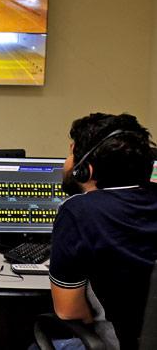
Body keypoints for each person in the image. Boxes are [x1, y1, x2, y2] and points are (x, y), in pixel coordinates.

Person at [49, 113, 157, 350]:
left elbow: (68, 311)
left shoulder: (78, 212)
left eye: (71, 153)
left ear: (84, 170)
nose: (66, 162)